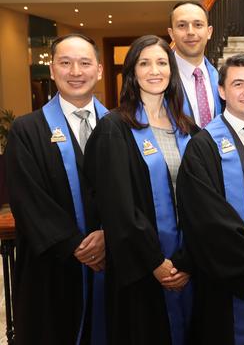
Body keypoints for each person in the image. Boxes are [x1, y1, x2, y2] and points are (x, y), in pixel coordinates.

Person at [84, 35, 196, 345]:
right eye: (144, 63)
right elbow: (118, 206)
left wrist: (187, 261)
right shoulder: (115, 128)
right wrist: (156, 263)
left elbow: (203, 201)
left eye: (162, 62)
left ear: (172, 70)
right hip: (141, 269)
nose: (154, 70)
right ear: (132, 72)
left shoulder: (189, 128)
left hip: (188, 264)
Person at [176, 54, 244, 344]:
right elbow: (207, 220)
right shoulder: (203, 145)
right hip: (228, 281)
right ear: (222, 91)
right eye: (238, 84)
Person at [6, 33, 107, 345]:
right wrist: (74, 244)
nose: (75, 71)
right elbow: (27, 197)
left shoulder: (122, 125)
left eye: (84, 63)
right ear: (52, 70)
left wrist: (110, 233)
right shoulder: (27, 129)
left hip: (113, 259)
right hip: (53, 266)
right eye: (65, 63)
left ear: (99, 70)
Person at [168, 1, 221, 127]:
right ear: (171, 34)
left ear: (209, 32)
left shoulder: (221, 78)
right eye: (182, 25)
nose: (190, 32)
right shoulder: (160, 78)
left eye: (198, 25)